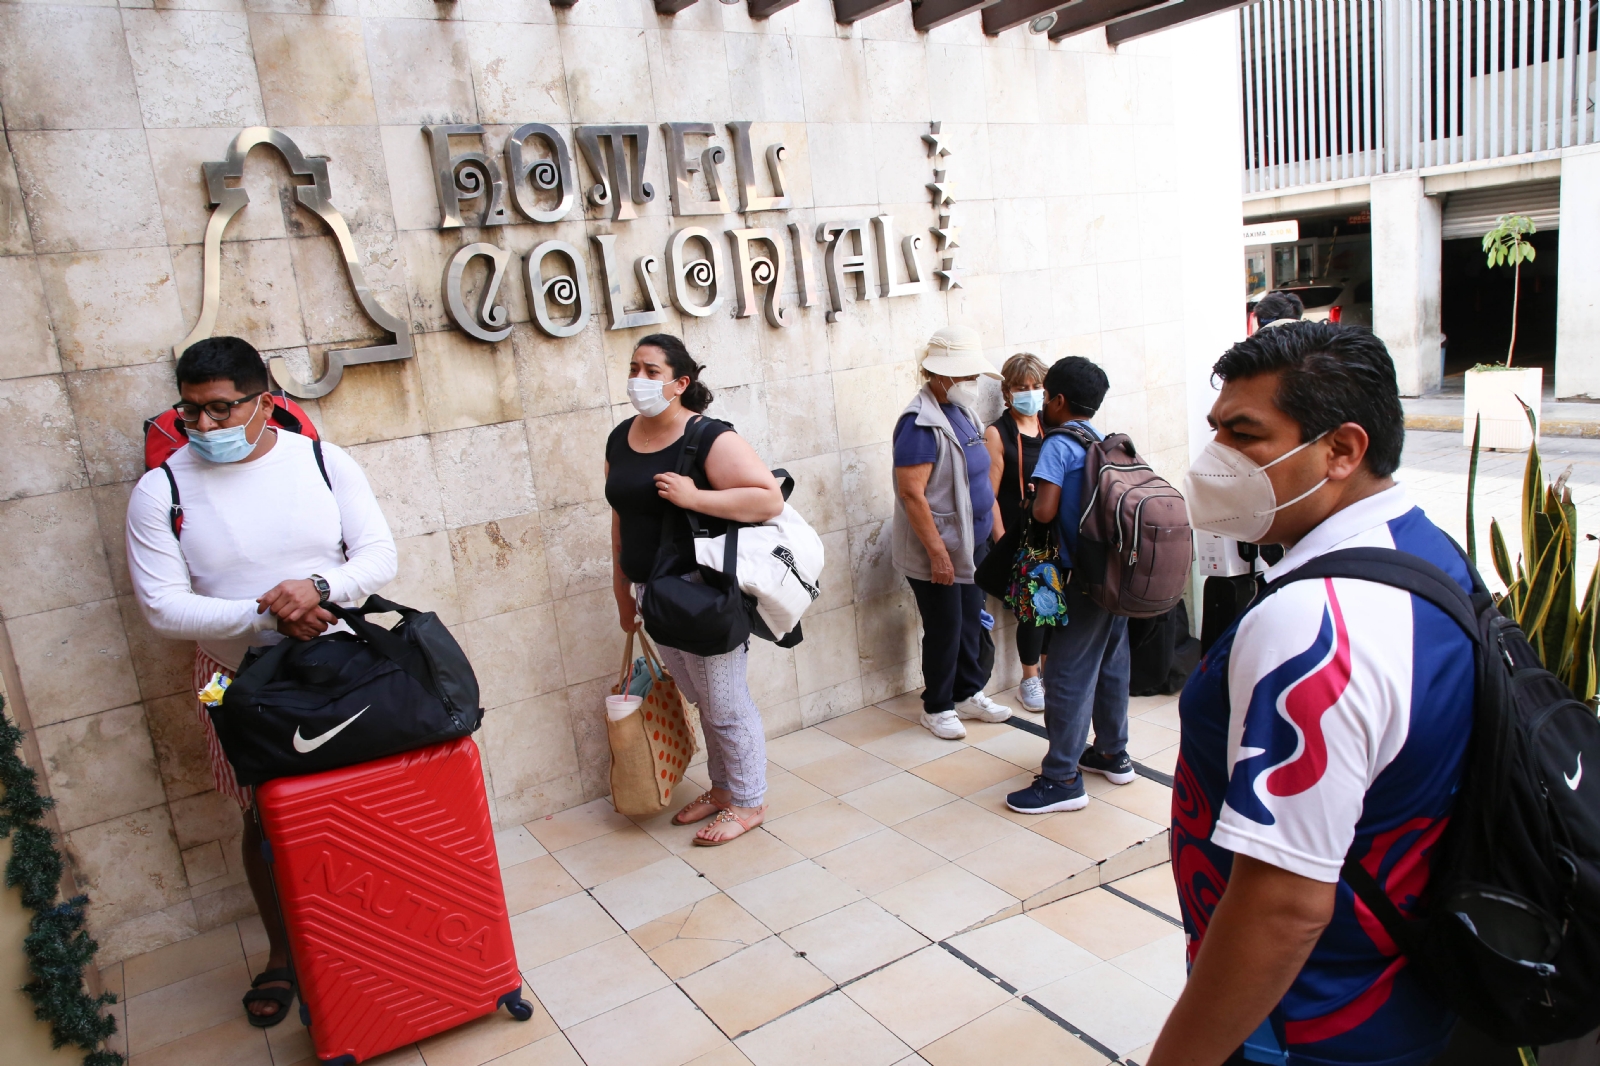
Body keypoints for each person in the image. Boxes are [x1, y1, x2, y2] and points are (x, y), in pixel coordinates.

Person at [1148, 322, 1472, 1066]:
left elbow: (1283, 908)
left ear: (1342, 449)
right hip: (1401, 993)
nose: (1215, 458)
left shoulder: (1310, 626)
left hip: (1302, 1027)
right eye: (1215, 430)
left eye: (1244, 433)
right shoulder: (1424, 548)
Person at [125, 337, 397, 1027]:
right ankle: (284, 954)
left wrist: (317, 589)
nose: (206, 427)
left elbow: (377, 555)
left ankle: (382, 932)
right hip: (233, 676)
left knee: (361, 802)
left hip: (342, 659)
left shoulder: (321, 461)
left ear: (265, 399)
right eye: (192, 413)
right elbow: (162, 604)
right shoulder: (164, 488)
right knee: (266, 814)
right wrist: (269, 615)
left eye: (221, 409)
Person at [605, 334, 784, 846]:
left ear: (681, 383)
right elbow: (620, 517)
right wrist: (623, 589)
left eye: (651, 370)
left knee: (725, 703)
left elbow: (767, 500)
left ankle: (749, 801)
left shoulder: (708, 438)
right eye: (634, 367)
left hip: (702, 592)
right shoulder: (621, 438)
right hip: (651, 591)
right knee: (700, 698)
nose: (638, 379)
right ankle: (724, 789)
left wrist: (695, 496)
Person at [1005, 356, 1134, 814]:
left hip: (1081, 578)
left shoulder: (1060, 445)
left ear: (1056, 400)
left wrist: (1033, 498)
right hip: (1118, 574)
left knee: (1066, 673)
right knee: (1113, 661)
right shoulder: (1106, 441)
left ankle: (1062, 778)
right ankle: (1111, 752)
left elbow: (1044, 512)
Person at [892, 325, 1011, 740]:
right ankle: (937, 706)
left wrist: (995, 536)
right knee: (945, 627)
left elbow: (980, 479)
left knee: (969, 622)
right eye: (964, 377)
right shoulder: (919, 424)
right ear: (940, 377)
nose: (971, 384)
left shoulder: (963, 413)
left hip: (971, 546)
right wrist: (938, 554)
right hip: (938, 550)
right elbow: (912, 495)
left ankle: (966, 693)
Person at [983, 352, 1051, 712]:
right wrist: (1003, 542)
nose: (1030, 393)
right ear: (1007, 391)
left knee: (1053, 607)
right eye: (1022, 387)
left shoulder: (1049, 426)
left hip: (1051, 530)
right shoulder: (998, 433)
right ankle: (1030, 678)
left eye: (1036, 386)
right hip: (1018, 533)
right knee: (1034, 609)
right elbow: (989, 495)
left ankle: (1046, 671)